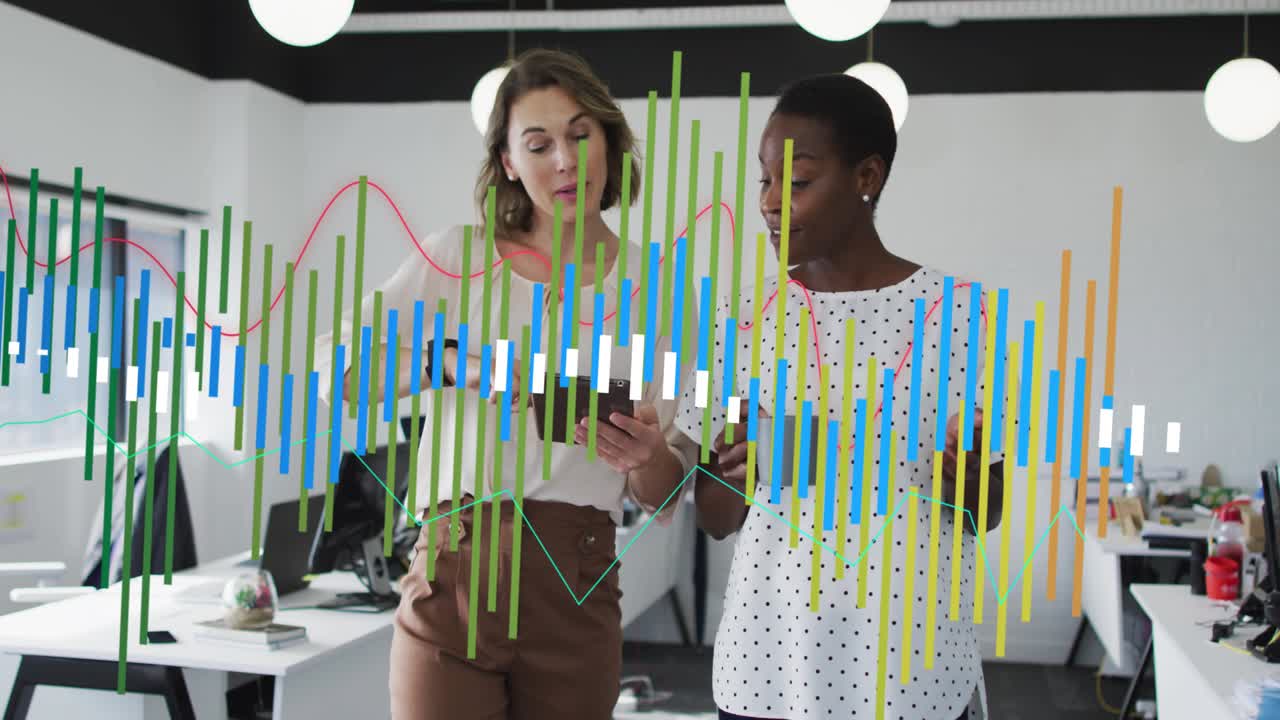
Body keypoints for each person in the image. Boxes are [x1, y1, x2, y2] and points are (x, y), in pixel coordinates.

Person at [315, 48, 695, 720]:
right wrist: (438, 364)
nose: (566, 161)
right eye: (538, 143)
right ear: (509, 162)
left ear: (610, 138)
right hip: (452, 572)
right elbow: (335, 375)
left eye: (582, 134)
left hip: (577, 580)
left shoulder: (657, 291)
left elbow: (666, 494)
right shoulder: (454, 257)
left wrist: (647, 458)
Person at [674, 74, 1006, 720]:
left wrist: (965, 485)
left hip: (911, 671)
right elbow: (716, 518)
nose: (770, 203)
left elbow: (985, 510)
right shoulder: (743, 319)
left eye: (795, 183)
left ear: (867, 176)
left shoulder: (958, 314)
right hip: (768, 665)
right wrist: (729, 470)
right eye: (764, 182)